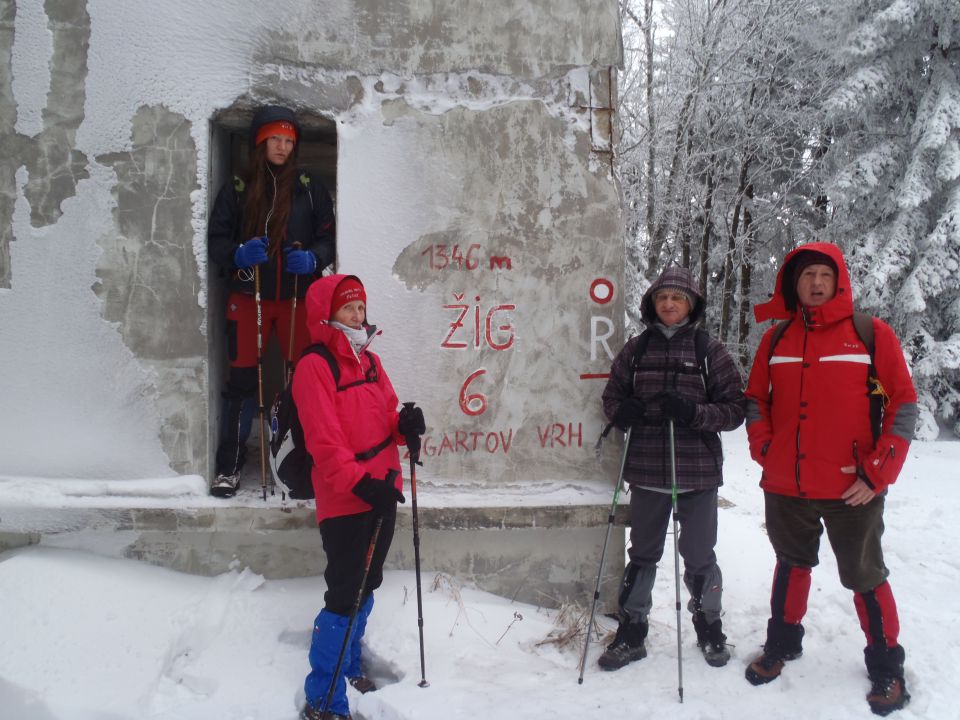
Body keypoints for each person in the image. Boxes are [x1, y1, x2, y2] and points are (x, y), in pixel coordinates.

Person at [742, 242, 917, 716]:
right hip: (786, 485)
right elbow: (756, 399)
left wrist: (879, 472)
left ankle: (886, 665)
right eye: (806, 276)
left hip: (852, 488)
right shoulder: (775, 340)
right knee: (791, 563)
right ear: (793, 284)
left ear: (838, 281)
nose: (816, 284)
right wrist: (764, 448)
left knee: (864, 576)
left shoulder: (870, 334)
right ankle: (782, 644)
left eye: (824, 274)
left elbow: (903, 403)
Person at [599, 266, 745, 671]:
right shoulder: (636, 349)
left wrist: (694, 412)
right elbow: (611, 399)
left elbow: (734, 409)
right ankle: (632, 631)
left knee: (699, 554)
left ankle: (709, 626)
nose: (669, 304)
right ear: (652, 303)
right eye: (663, 298)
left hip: (697, 471)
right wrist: (623, 412)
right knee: (643, 553)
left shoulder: (707, 350)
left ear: (691, 305)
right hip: (646, 469)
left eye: (677, 299)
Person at [294, 274, 425, 720]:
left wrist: (405, 427)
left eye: (361, 307)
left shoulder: (369, 361)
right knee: (344, 594)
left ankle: (349, 665)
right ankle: (322, 701)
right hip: (346, 499)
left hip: (382, 491)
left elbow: (386, 416)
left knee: (367, 585)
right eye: (348, 308)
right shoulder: (315, 366)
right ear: (326, 314)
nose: (357, 315)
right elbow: (324, 444)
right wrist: (360, 483)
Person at [207, 104, 336, 497]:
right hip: (250, 296)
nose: (281, 147)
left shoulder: (310, 187)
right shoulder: (238, 188)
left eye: (288, 141)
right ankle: (230, 462)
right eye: (274, 140)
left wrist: (314, 257)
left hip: (297, 297)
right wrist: (237, 255)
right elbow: (217, 240)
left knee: (304, 379)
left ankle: (305, 457)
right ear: (259, 143)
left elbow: (328, 236)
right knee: (243, 380)